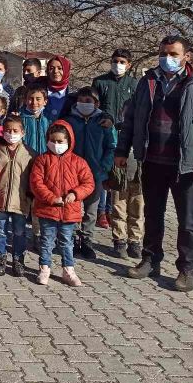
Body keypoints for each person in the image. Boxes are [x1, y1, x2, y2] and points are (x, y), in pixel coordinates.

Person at [116, 35, 193, 292]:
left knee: (187, 220)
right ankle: (150, 259)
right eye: (164, 53)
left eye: (174, 54)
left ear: (187, 56)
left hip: (185, 166)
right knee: (152, 214)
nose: (168, 58)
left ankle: (187, 268)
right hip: (152, 160)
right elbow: (131, 118)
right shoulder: (148, 81)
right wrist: (122, 150)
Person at [30, 120, 95, 287]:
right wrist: (51, 198)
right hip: (47, 209)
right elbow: (36, 184)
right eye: (53, 141)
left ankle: (68, 269)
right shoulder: (42, 160)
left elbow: (88, 183)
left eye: (60, 141)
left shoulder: (78, 162)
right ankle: (45, 268)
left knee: (67, 241)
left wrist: (75, 194)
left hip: (69, 211)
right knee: (46, 240)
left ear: (69, 141)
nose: (56, 144)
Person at [91, 48, 141, 258]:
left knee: (137, 196)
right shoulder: (100, 82)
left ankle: (135, 240)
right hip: (109, 141)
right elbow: (95, 107)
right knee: (116, 191)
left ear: (129, 64)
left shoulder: (137, 85)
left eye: (122, 61)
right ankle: (118, 238)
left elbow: (141, 112)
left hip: (133, 144)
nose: (118, 64)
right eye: (115, 60)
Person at [66, 87, 116, 261]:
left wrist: (104, 167)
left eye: (89, 101)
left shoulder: (103, 122)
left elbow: (111, 146)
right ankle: (71, 240)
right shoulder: (69, 121)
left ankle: (87, 242)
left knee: (91, 211)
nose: (84, 104)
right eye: (81, 100)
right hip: (72, 174)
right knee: (72, 208)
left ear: (97, 104)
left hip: (96, 174)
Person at [0, 116, 35, 277]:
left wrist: (31, 196)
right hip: (0, 198)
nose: (11, 134)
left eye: (15, 131)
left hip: (20, 200)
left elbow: (33, 178)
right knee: (0, 231)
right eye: (8, 131)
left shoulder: (30, 154)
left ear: (22, 132)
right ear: (2, 132)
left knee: (19, 232)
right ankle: (0, 258)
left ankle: (18, 259)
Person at [44, 55, 77, 122]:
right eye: (51, 68)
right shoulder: (39, 90)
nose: (55, 71)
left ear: (66, 70)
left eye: (60, 68)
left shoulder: (75, 93)